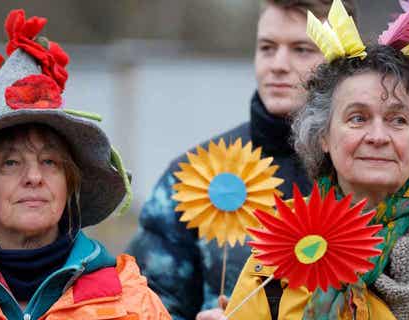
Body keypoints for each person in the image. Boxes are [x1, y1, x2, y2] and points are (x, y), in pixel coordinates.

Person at [0, 9, 170, 320]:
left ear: (70, 183)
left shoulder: (133, 304)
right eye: (11, 162)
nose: (34, 177)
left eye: (50, 162)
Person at [126, 1, 356, 319]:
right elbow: (141, 303)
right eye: (267, 47)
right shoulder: (194, 176)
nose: (278, 64)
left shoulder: (369, 172)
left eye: (301, 49)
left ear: (341, 59)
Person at [225, 43, 409, 319]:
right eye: (358, 118)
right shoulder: (280, 246)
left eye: (398, 120)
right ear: (323, 135)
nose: (378, 136)